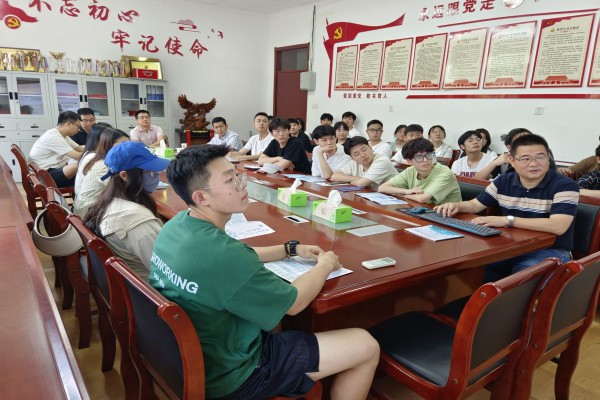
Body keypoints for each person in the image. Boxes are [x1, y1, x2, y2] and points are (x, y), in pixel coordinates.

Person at [149, 144, 379, 399]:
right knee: (365, 344)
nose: (242, 184)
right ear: (201, 197)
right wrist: (325, 264)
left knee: (279, 325)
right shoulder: (225, 256)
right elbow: (295, 303)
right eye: (230, 180)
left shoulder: (177, 226)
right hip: (233, 374)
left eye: (237, 175)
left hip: (187, 357)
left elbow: (238, 255)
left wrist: (289, 249)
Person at [435, 134, 579, 282]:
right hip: (510, 246)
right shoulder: (503, 181)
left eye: (540, 157)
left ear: (548, 158)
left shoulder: (565, 185)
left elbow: (558, 226)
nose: (533, 163)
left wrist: (508, 220)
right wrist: (455, 205)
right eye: (525, 159)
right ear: (512, 160)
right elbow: (475, 205)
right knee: (464, 267)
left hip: (549, 249)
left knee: (522, 280)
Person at [85, 141, 170, 281]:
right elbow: (168, 270)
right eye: (149, 172)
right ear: (124, 175)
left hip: (130, 281)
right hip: (150, 288)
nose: (155, 176)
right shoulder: (137, 220)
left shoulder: (108, 201)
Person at [379, 138, 461, 205]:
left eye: (429, 155)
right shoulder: (410, 171)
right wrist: (407, 191)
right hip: (424, 210)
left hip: (451, 215)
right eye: (419, 157)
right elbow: (382, 188)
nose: (425, 160)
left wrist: (402, 195)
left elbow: (423, 198)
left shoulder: (445, 172)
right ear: (408, 161)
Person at [74, 128, 129, 218]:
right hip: (89, 214)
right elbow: (122, 193)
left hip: (95, 208)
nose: (127, 148)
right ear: (109, 145)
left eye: (129, 144)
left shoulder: (103, 160)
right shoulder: (105, 166)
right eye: (123, 144)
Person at [473, 127, 557, 180]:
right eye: (520, 141)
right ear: (509, 147)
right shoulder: (504, 161)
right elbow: (477, 179)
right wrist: (494, 163)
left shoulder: (544, 159)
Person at [28, 110, 84, 188]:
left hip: (48, 171)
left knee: (82, 171)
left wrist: (95, 147)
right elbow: (78, 156)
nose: (79, 129)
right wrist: (97, 152)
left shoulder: (62, 135)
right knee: (81, 166)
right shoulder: (54, 137)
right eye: (78, 126)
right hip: (44, 176)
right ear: (68, 124)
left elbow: (79, 148)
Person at [331, 136, 397, 190]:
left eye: (364, 150)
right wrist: (360, 179)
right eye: (357, 154)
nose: (363, 155)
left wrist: (350, 180)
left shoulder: (382, 161)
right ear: (352, 157)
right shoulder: (354, 163)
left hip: (395, 197)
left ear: (370, 147)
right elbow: (335, 176)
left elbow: (361, 184)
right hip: (373, 196)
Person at [74, 122, 113, 195]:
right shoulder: (92, 157)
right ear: (102, 138)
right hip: (90, 199)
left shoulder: (90, 153)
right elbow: (108, 182)